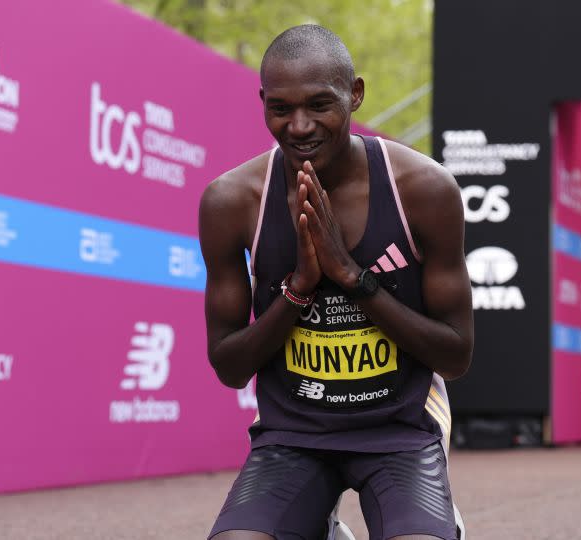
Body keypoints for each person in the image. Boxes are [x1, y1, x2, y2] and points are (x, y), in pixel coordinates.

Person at [198, 24, 473, 540]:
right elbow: (231, 367)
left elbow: (456, 357)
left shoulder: (424, 189)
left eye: (320, 105)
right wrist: (299, 288)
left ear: (356, 95)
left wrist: (351, 277)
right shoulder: (232, 202)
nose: (299, 126)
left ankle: (436, 521)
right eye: (280, 109)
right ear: (262, 103)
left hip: (400, 429)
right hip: (292, 436)